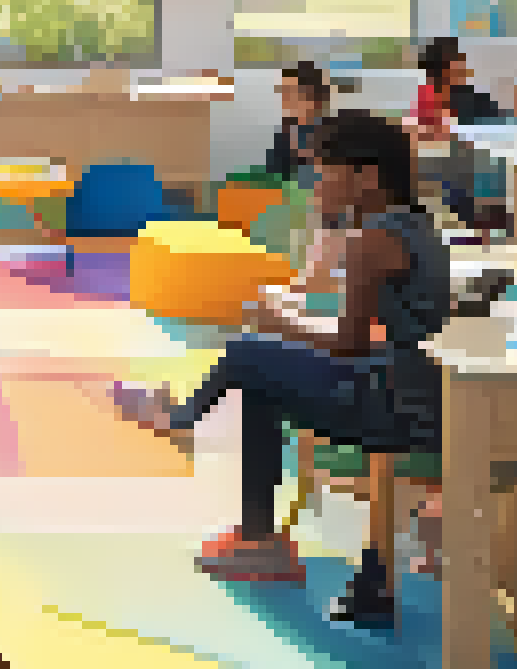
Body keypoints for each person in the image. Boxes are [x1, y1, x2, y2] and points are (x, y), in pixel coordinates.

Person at [108, 110, 452, 628]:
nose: (312, 185)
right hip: (415, 393)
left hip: (395, 405)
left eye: (321, 172)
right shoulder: (414, 227)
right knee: (262, 373)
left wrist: (283, 323)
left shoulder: (371, 242)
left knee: (250, 353)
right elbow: (372, 338)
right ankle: (256, 536)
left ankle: (182, 423)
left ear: (365, 176)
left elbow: (348, 343)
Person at [411, 37, 510, 228]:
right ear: (446, 68)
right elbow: (438, 141)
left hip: (470, 170)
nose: (464, 65)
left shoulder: (468, 97)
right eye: (459, 59)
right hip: (455, 175)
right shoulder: (431, 98)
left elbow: (497, 126)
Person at [264, 62, 331, 187]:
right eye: (284, 92)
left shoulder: (331, 133)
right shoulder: (284, 136)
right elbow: (274, 178)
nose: (285, 99)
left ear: (314, 96)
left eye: (292, 92)